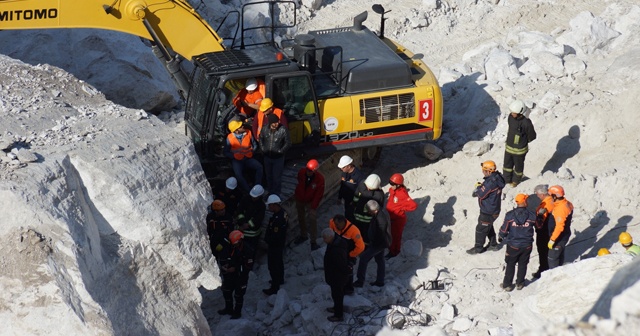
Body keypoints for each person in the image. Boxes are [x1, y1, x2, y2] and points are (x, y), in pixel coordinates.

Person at [498, 194, 536, 291]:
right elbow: (539, 226)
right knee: (523, 264)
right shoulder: (532, 215)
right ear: (525, 202)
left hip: (513, 245)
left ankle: (507, 285)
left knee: (510, 264)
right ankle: (520, 283)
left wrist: (501, 236)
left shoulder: (510, 215)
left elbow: (504, 229)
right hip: (527, 245)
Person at [468, 160, 506, 255]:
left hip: (488, 210)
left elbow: (481, 194)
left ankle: (478, 248)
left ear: (489, 171)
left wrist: (478, 189)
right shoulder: (498, 177)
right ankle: (493, 245)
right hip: (494, 208)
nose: (483, 172)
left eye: (484, 170)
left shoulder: (490, 183)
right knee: (488, 225)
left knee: (481, 229)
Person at [217, 230, 255, 319]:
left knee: (238, 295)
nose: (233, 245)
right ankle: (228, 309)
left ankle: (237, 313)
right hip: (232, 275)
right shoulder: (235, 247)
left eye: (235, 243)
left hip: (241, 276)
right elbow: (232, 258)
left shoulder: (248, 250)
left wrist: (235, 268)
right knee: (226, 291)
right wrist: (227, 264)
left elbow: (248, 267)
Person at [354, 200, 390, 288]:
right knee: (380, 260)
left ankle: (360, 281)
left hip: (378, 244)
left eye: (369, 211)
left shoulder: (380, 219)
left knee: (363, 258)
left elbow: (380, 233)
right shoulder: (380, 214)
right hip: (382, 242)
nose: (368, 213)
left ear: (374, 210)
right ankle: (380, 281)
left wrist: (372, 243)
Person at [503, 99, 536, 187]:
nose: (512, 114)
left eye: (514, 113)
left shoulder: (526, 123)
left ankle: (516, 181)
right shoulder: (511, 117)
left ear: (520, 113)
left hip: (520, 151)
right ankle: (506, 180)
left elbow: (532, 136)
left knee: (518, 167)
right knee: (507, 166)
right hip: (509, 148)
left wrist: (523, 141)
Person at [293, 159, 325, 250]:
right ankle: (303, 235)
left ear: (315, 171)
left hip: (310, 201)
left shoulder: (320, 179)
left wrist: (313, 207)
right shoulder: (301, 172)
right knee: (300, 217)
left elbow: (318, 195)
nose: (308, 172)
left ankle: (313, 241)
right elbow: (299, 181)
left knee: (312, 219)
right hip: (300, 199)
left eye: (310, 171)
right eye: (307, 169)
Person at [223, 120, 263, 193]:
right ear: (236, 131)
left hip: (248, 158)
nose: (243, 126)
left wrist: (252, 152)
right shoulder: (229, 137)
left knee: (259, 167)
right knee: (238, 175)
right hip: (237, 160)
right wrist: (234, 156)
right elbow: (226, 152)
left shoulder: (248, 132)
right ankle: (248, 191)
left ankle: (257, 187)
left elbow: (255, 145)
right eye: (240, 126)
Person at [329, 214, 365, 296]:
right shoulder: (332, 223)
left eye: (337, 225)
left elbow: (361, 247)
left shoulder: (354, 231)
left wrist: (350, 255)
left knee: (348, 270)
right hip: (338, 251)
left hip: (348, 253)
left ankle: (348, 289)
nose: (336, 226)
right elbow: (331, 233)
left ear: (343, 222)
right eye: (335, 224)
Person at [385, 173, 417, 259]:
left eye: (392, 184)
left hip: (398, 219)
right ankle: (391, 249)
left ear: (398, 185)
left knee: (396, 237)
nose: (390, 185)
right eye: (390, 183)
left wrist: (402, 209)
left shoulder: (402, 194)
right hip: (391, 217)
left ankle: (395, 252)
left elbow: (413, 205)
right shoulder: (392, 190)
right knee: (390, 235)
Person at [259, 113, 291, 196]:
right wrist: (263, 149)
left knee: (277, 178)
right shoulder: (264, 129)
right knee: (269, 177)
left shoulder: (283, 130)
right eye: (275, 122)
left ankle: (276, 194)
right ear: (270, 123)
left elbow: (288, 143)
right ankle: (270, 192)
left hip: (278, 158)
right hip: (267, 157)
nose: (277, 124)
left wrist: (281, 151)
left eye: (278, 122)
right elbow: (261, 139)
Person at [322, 228, 350, 323]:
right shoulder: (335, 243)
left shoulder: (337, 249)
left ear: (330, 237)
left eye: (325, 238)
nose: (324, 240)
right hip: (334, 275)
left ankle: (338, 315)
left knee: (338, 295)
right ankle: (336, 308)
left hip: (337, 277)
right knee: (335, 294)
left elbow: (341, 264)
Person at [262, 195, 288, 295]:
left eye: (270, 205)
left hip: (275, 245)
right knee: (279, 262)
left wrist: (267, 240)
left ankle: (274, 287)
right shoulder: (283, 213)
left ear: (274, 205)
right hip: (279, 244)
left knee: (273, 266)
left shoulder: (278, 219)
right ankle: (280, 279)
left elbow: (275, 235)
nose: (269, 207)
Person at [352, 174, 385, 243]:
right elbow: (379, 207)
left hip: (362, 217)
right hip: (364, 217)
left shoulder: (361, 186)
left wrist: (355, 205)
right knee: (362, 233)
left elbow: (355, 198)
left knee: (362, 233)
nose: (369, 189)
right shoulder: (379, 194)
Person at [547, 185, 574, 269]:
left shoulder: (561, 209)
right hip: (564, 234)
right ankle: (560, 268)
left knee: (552, 258)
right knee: (560, 253)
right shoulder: (566, 203)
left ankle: (554, 275)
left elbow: (559, 227)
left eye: (551, 195)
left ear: (555, 196)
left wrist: (552, 240)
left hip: (559, 237)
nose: (550, 197)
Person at [235, 184, 266, 253]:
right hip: (241, 229)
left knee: (250, 251)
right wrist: (242, 222)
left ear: (259, 196)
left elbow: (258, 218)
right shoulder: (245, 199)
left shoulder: (261, 206)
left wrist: (247, 225)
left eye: (255, 197)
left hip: (252, 234)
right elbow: (240, 211)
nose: (253, 198)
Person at [532, 184, 554, 279]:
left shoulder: (547, 204)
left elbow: (542, 221)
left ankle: (543, 270)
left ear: (542, 194)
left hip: (544, 231)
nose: (537, 196)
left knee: (542, 251)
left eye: (537, 194)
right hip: (547, 231)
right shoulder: (550, 200)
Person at [337, 155, 364, 223]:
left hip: (355, 203)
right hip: (347, 200)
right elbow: (342, 186)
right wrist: (339, 197)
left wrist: (356, 202)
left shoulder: (359, 176)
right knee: (347, 216)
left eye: (342, 167)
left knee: (353, 219)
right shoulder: (344, 173)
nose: (341, 169)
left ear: (349, 166)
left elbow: (362, 190)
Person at [206, 200, 234, 265]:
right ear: (216, 211)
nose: (223, 211)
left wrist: (223, 243)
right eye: (221, 210)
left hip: (224, 242)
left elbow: (231, 233)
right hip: (213, 242)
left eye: (224, 209)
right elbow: (208, 230)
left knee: (224, 259)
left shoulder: (228, 218)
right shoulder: (210, 218)